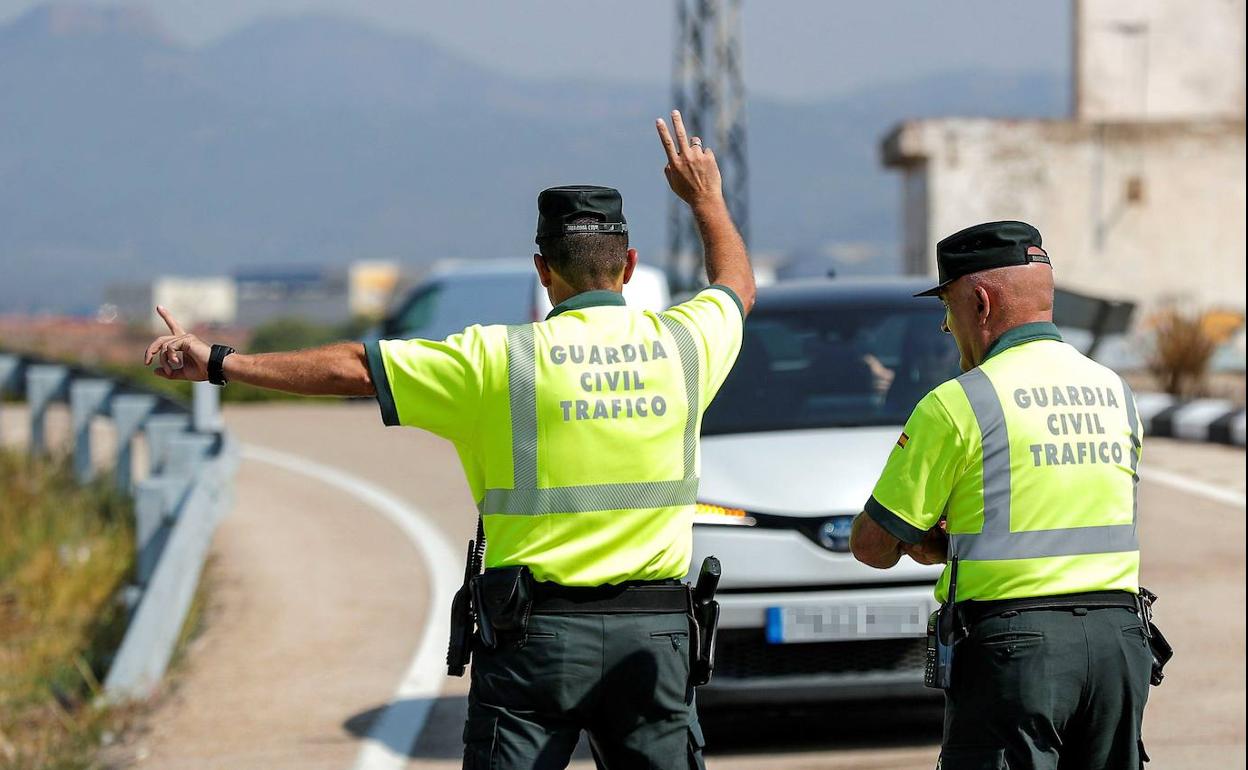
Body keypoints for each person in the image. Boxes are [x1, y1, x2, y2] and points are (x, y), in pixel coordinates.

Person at [143, 110, 755, 770]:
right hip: (653, 639)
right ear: (629, 265)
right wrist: (707, 199)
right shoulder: (687, 345)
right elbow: (735, 288)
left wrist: (219, 362)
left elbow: (355, 366)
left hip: (535, 642)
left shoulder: (496, 360)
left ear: (542, 270)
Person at [848, 221, 1153, 769]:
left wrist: (927, 541)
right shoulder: (1116, 392)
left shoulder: (960, 403)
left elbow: (873, 546)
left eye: (948, 307)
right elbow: (1062, 512)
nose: (946, 325)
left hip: (1017, 651)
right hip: (1119, 644)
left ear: (980, 303)